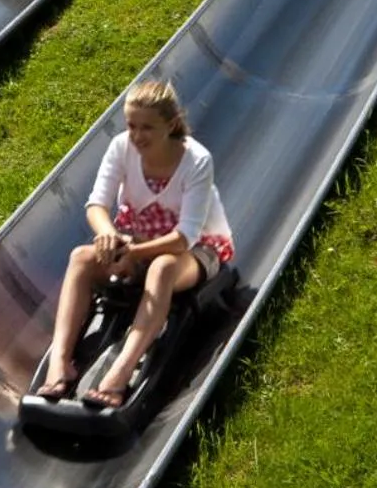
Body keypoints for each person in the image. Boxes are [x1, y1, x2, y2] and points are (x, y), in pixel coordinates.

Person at [36, 79, 234, 410]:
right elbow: (96, 205)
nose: (137, 136)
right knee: (81, 258)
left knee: (162, 268)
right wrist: (108, 235)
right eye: (131, 126)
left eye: (147, 128)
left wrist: (133, 252)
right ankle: (61, 361)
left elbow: (185, 236)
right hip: (136, 237)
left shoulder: (197, 161)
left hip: (193, 249)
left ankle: (120, 373)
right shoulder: (121, 147)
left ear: (170, 125)